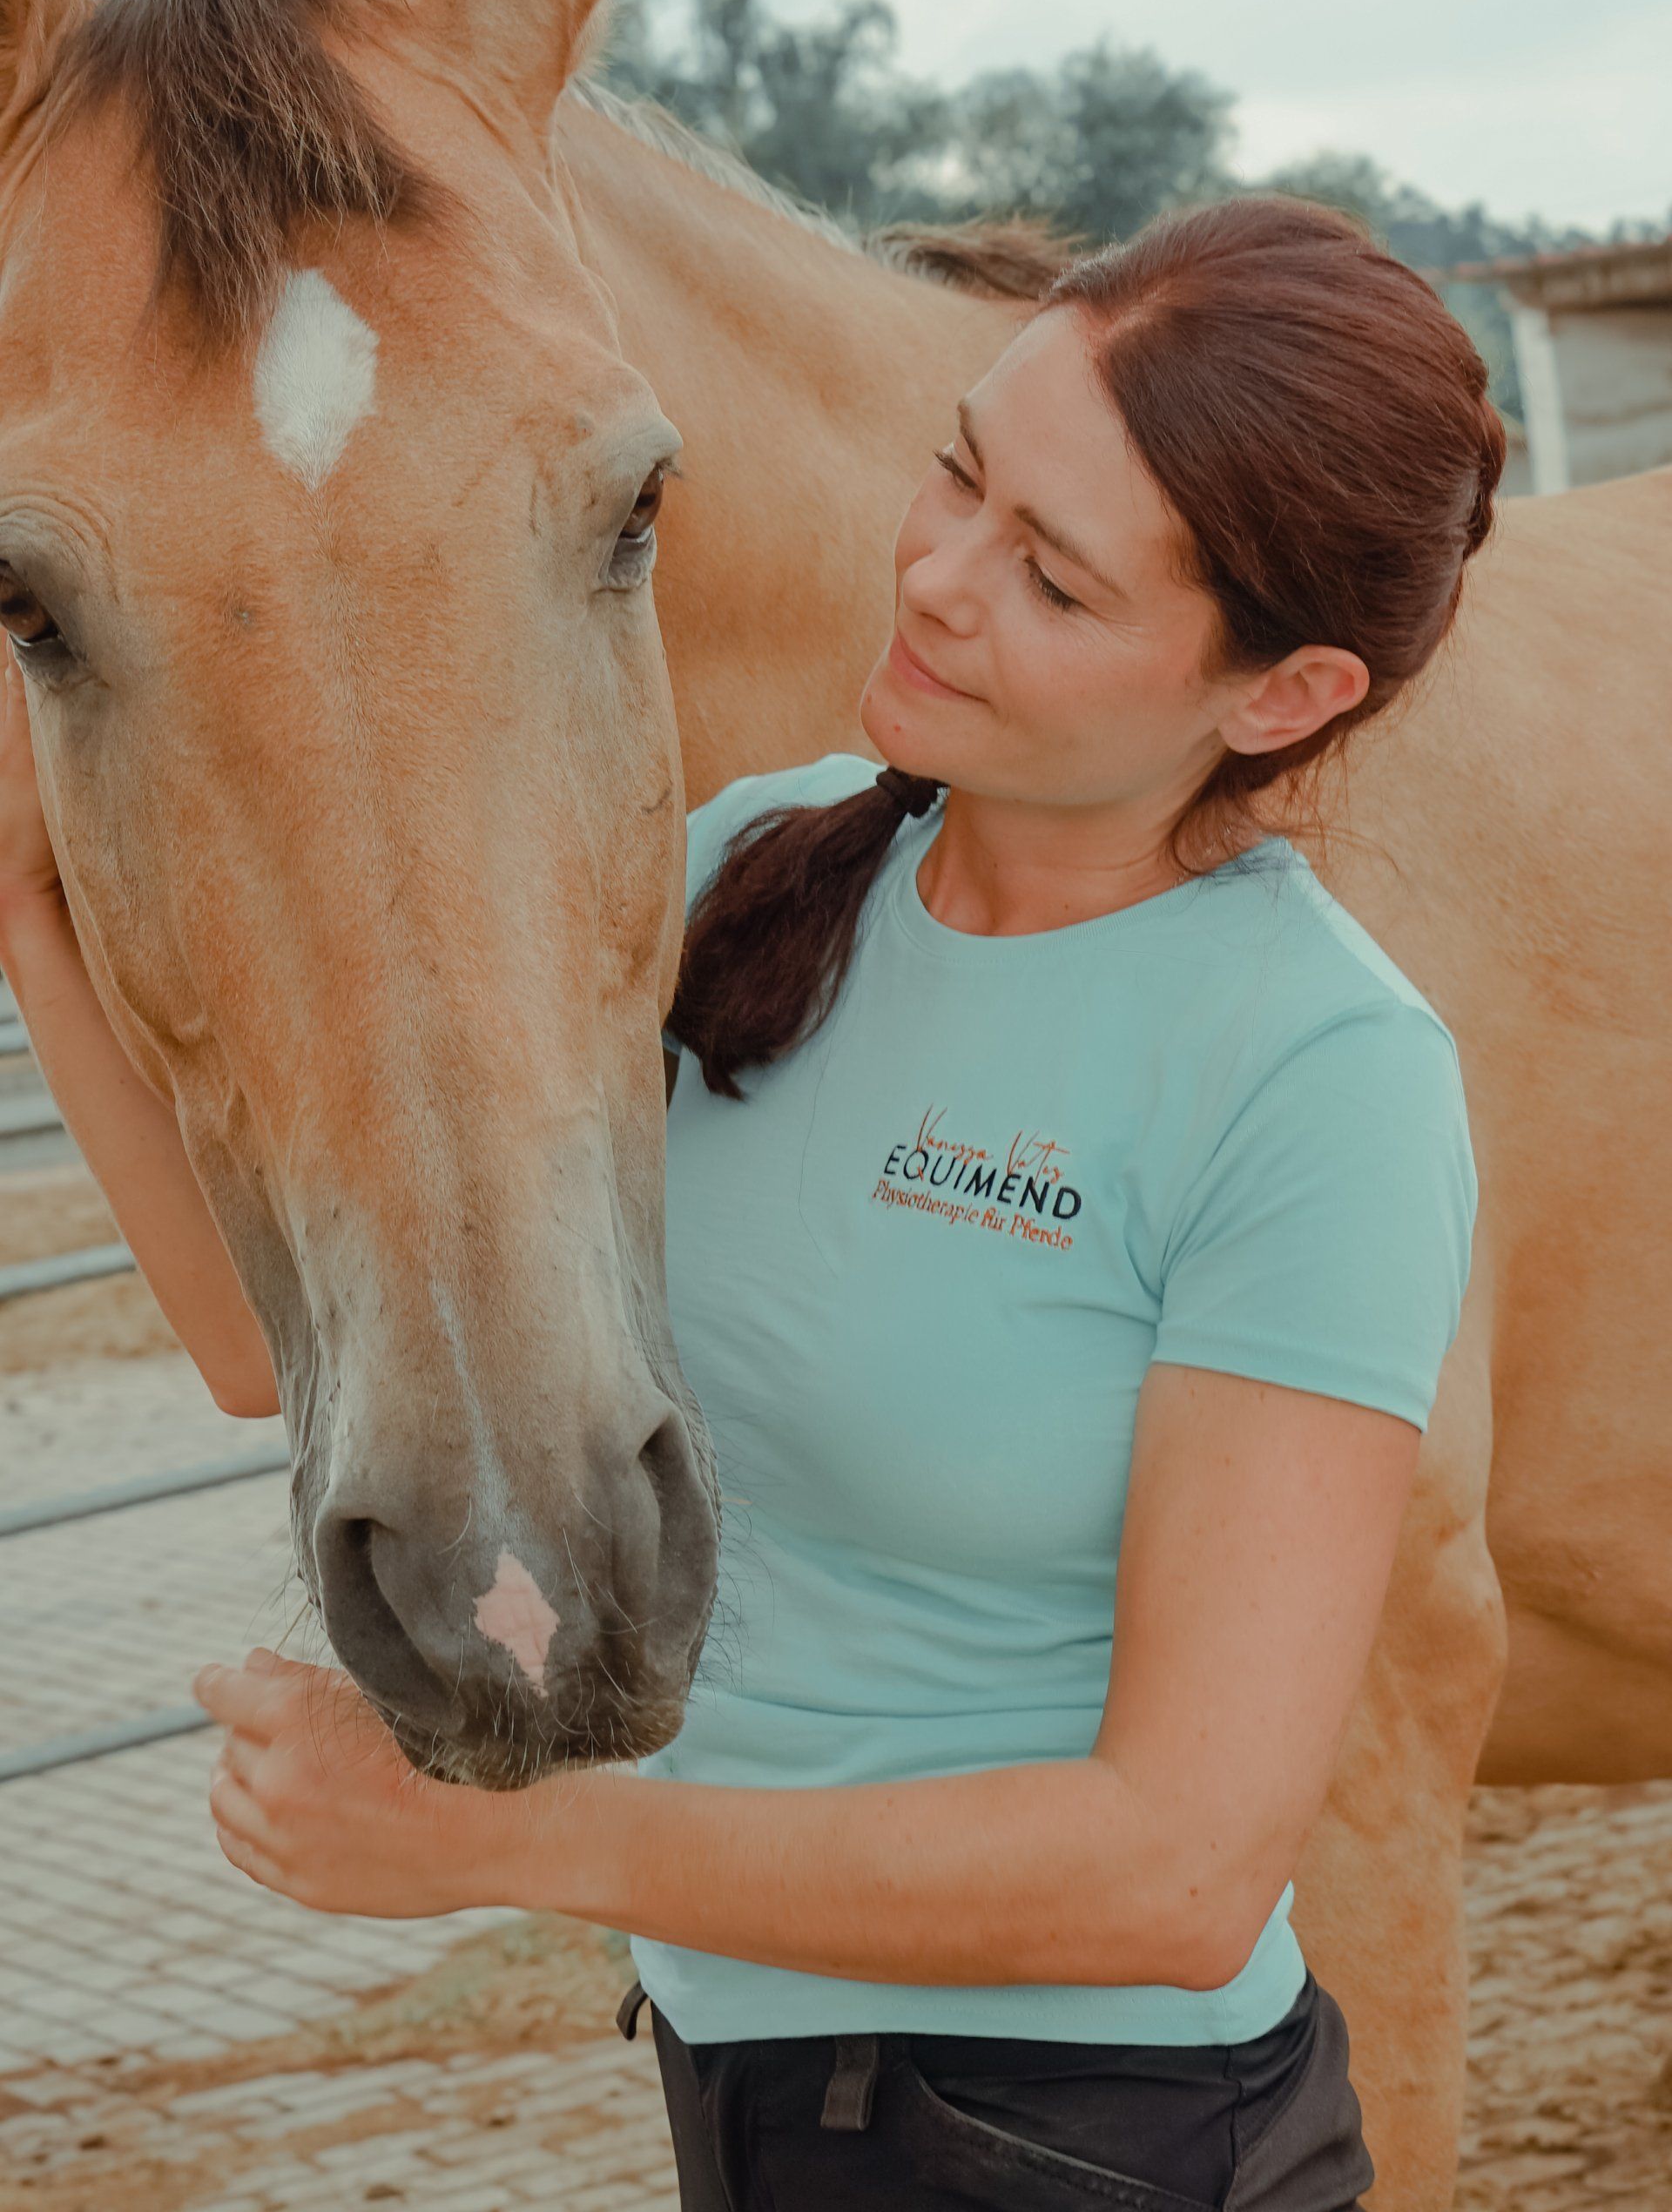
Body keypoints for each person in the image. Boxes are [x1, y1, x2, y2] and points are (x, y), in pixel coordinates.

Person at [1, 195, 1497, 2212]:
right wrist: (29, 892)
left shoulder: (1318, 1072)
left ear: (1282, 693)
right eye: (959, 473)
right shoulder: (736, 879)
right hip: (763, 2101)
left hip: (1103, 2148)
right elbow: (271, 1347)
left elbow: (1179, 1866)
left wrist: (502, 1846)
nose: (941, 579)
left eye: (1050, 580)